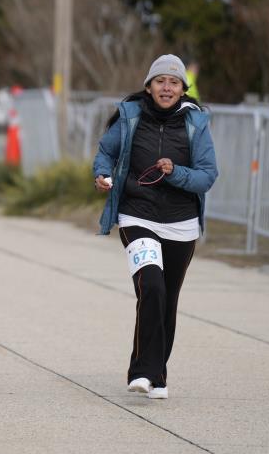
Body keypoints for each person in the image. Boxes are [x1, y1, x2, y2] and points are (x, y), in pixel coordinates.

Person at [93, 54, 218, 401]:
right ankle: (142, 372)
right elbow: (106, 152)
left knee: (167, 301)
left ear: (182, 89)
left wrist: (175, 172)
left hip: (181, 225)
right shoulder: (130, 116)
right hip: (137, 216)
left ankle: (157, 375)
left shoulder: (196, 123)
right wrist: (101, 174)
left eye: (174, 82)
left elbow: (207, 176)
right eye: (160, 81)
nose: (166, 87)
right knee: (151, 286)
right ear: (148, 86)